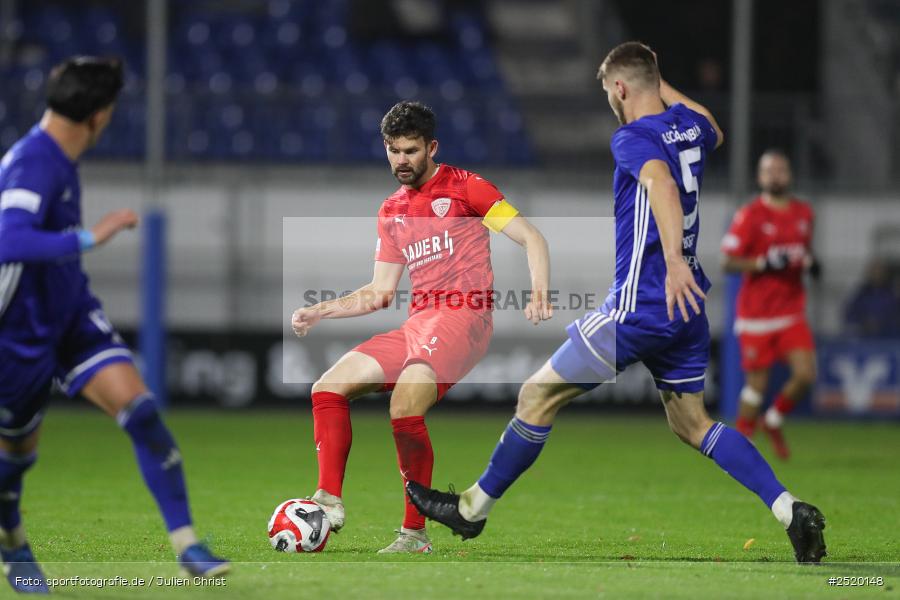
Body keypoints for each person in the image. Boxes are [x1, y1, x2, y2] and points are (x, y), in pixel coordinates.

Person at [406, 42, 827, 564]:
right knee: (693, 425)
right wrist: (655, 75)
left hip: (642, 304)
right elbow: (713, 127)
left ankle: (472, 510)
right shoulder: (687, 127)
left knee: (537, 395)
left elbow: (661, 185)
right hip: (687, 308)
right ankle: (790, 510)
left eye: (609, 89)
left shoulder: (632, 137)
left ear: (620, 89)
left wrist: (671, 257)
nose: (609, 98)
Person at [0, 57, 228, 594]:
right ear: (100, 116)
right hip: (18, 335)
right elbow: (8, 240)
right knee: (16, 459)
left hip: (71, 317)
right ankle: (11, 539)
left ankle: (188, 545)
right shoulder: (34, 162)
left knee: (141, 410)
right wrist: (88, 238)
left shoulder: (55, 155)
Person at [290, 101, 551, 554]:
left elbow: (531, 236)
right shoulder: (392, 210)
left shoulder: (468, 188)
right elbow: (380, 291)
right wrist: (321, 311)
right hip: (419, 323)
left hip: (463, 318)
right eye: (393, 151)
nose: (401, 161)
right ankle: (328, 501)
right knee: (327, 388)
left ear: (432, 147)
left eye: (410, 150)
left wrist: (539, 291)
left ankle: (413, 533)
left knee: (404, 404)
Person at [722, 150, 819, 460]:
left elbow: (804, 253)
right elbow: (728, 262)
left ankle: (773, 419)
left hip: (791, 311)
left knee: (805, 375)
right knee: (756, 387)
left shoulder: (804, 213)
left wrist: (812, 264)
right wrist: (764, 262)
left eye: (781, 169)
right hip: (756, 315)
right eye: (769, 170)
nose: (776, 175)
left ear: (789, 174)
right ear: (760, 177)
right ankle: (740, 445)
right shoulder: (750, 215)